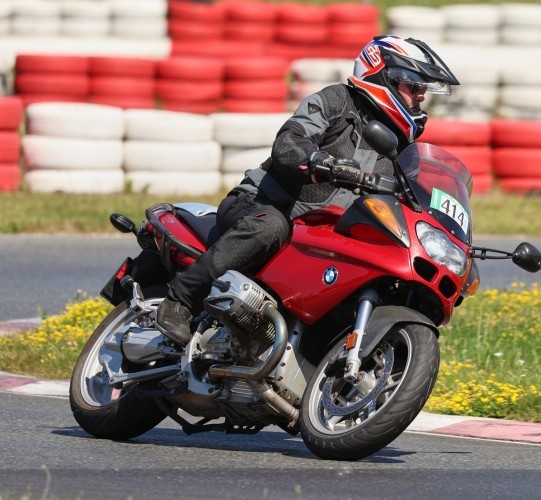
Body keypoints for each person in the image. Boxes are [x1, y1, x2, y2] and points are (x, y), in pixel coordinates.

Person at [155, 35, 460, 347]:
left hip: (321, 232)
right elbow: (289, 141)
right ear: (384, 75)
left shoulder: (401, 151)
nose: (420, 96)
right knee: (270, 228)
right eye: (414, 86)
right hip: (262, 204)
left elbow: (411, 204)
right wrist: (320, 162)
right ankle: (180, 300)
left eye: (424, 90)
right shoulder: (337, 101)